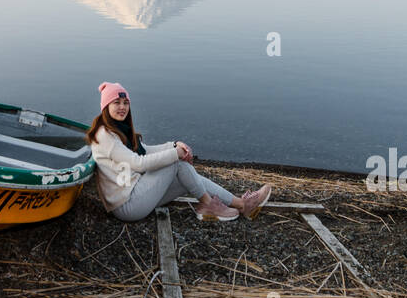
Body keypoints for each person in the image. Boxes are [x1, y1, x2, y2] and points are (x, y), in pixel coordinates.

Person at [86, 82, 271, 222]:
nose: (122, 107)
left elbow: (144, 152)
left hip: (136, 195)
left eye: (125, 102)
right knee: (175, 163)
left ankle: (241, 204)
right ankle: (209, 205)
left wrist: (173, 146)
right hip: (126, 206)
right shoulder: (106, 136)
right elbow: (138, 163)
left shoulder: (119, 130)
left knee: (188, 175)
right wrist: (175, 154)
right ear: (106, 107)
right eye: (116, 102)